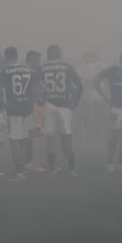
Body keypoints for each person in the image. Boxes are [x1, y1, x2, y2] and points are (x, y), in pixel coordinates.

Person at [39, 45, 84, 176]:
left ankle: (52, 168)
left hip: (49, 104)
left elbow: (33, 84)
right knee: (67, 136)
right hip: (64, 105)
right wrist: (75, 101)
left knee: (50, 138)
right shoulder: (67, 67)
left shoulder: (42, 68)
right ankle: (71, 169)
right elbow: (79, 84)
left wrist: (40, 99)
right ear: (59, 54)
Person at [94, 49, 122, 174]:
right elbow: (95, 81)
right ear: (121, 58)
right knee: (114, 137)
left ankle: (120, 164)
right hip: (115, 108)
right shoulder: (111, 70)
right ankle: (109, 163)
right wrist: (104, 96)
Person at [0, 47, 38, 181]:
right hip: (27, 108)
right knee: (26, 137)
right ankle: (26, 164)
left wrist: (2, 104)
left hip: (13, 109)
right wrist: (32, 101)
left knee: (14, 139)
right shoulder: (27, 69)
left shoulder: (5, 71)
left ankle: (19, 172)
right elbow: (35, 88)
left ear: (6, 57)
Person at [23, 50, 46, 173]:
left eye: (39, 60)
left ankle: (33, 162)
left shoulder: (39, 73)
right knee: (31, 135)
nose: (38, 63)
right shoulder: (27, 74)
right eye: (36, 60)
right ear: (29, 61)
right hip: (30, 107)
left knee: (38, 134)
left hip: (39, 107)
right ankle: (28, 163)